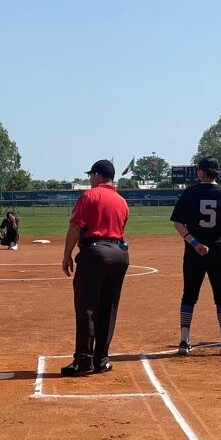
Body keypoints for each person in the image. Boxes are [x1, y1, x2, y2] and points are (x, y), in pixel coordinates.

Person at [61, 159, 130, 374]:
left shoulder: (90, 195)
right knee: (108, 307)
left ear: (99, 175)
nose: (89, 178)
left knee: (87, 307)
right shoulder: (122, 201)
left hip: (95, 253)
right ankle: (101, 359)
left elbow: (75, 226)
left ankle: (83, 360)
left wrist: (67, 255)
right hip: (119, 254)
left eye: (91, 175)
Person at [169, 156, 221, 354]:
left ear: (201, 172)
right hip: (220, 248)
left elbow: (178, 223)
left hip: (194, 250)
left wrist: (195, 242)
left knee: (189, 294)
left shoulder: (190, 192)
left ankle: (184, 341)